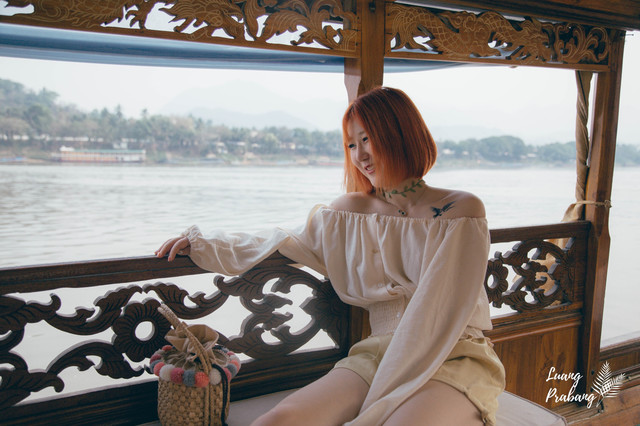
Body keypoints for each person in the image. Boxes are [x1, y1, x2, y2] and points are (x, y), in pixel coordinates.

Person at [156, 86, 505, 425]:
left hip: (454, 353)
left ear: (401, 134)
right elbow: (281, 239)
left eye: (367, 138)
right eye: (351, 144)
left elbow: (443, 303)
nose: (360, 155)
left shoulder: (460, 210)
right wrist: (201, 244)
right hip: (378, 353)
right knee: (277, 421)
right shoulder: (348, 213)